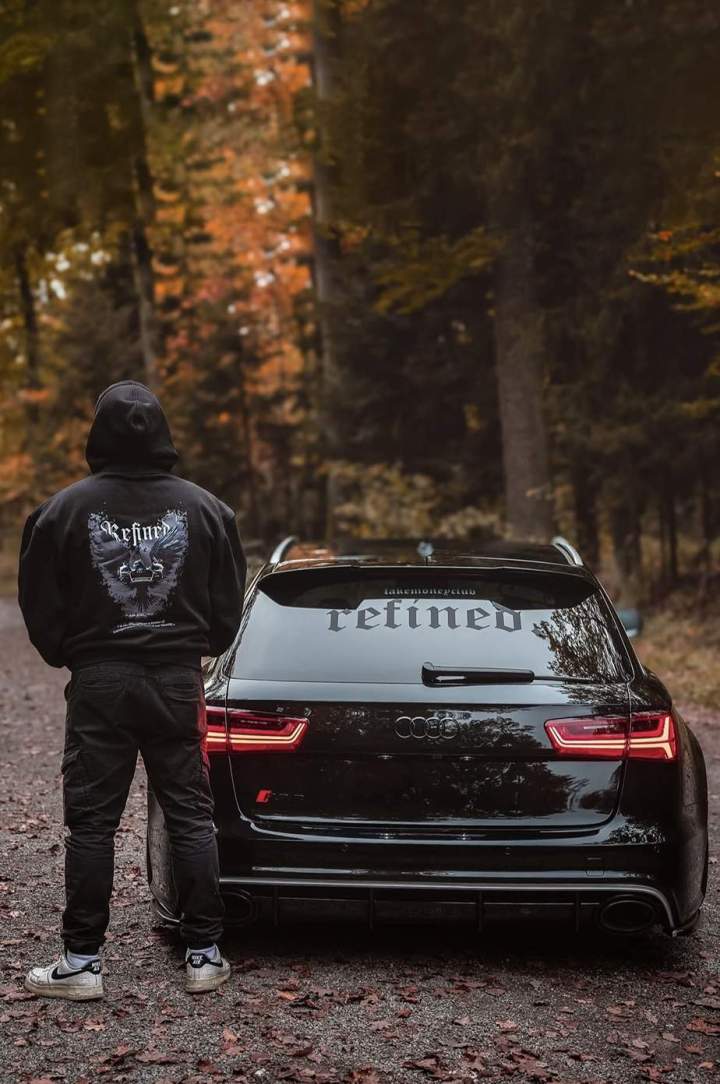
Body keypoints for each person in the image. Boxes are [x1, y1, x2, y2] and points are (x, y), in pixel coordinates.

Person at [18, 381, 246, 1000]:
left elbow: (39, 604)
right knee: (191, 815)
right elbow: (228, 610)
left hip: (101, 682)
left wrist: (72, 653)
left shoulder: (60, 511)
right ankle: (205, 955)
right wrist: (193, 647)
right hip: (177, 679)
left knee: (91, 824)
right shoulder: (208, 511)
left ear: (100, 433)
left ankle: (81, 964)